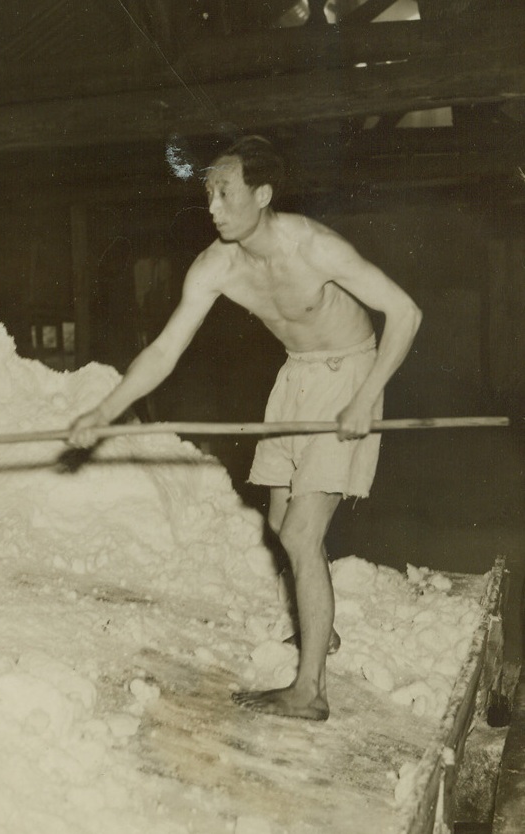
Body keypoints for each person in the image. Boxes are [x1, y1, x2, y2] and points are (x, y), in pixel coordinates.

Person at [68, 135, 422, 721]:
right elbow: (163, 352)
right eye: (208, 192)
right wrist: (103, 414)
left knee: (301, 537)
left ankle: (310, 689)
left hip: (350, 373)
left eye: (225, 192)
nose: (212, 206)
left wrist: (364, 399)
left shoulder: (313, 246)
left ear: (262, 193)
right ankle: (321, 631)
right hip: (295, 378)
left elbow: (405, 313)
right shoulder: (217, 265)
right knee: (280, 523)